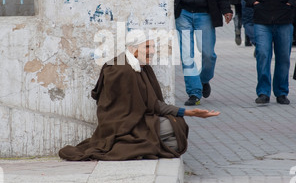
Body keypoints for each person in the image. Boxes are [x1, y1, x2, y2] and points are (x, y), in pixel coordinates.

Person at [59, 30, 220, 161]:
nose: (152, 52)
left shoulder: (142, 67)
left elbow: (152, 102)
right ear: (133, 49)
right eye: (147, 47)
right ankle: (140, 144)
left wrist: (184, 113)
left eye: (153, 47)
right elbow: (131, 107)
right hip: (122, 124)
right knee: (173, 127)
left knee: (176, 128)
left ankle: (148, 144)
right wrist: (188, 112)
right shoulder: (121, 70)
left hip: (138, 118)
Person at [241, 0, 296, 105]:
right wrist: (254, 3)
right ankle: (263, 92)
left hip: (285, 19)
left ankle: (281, 92)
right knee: (263, 54)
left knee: (283, 57)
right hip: (262, 20)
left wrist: (291, 3)